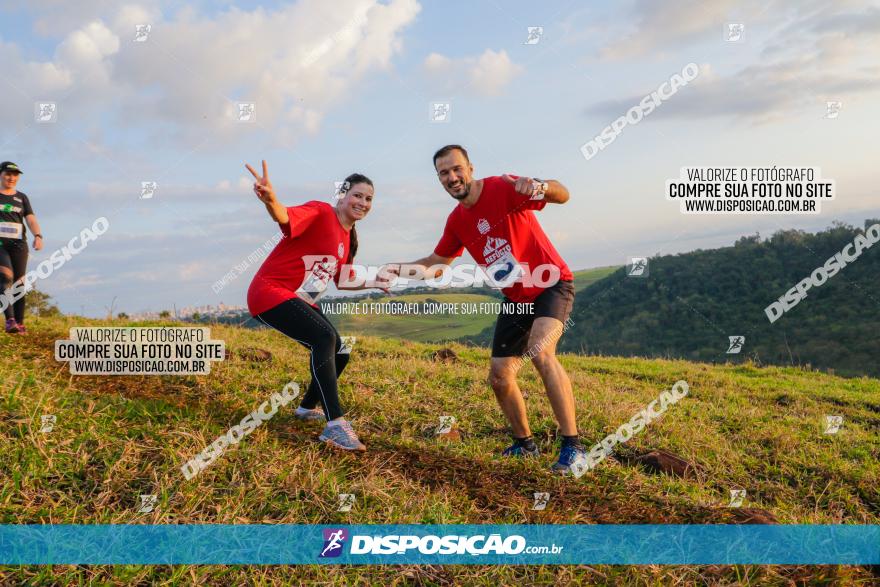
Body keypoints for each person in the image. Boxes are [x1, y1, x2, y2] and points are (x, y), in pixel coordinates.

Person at [388, 145, 584, 474]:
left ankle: (573, 447)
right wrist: (396, 269)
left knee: (540, 352)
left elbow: (563, 195)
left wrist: (539, 185)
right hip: (516, 298)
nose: (452, 177)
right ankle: (525, 444)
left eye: (456, 169)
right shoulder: (457, 220)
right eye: (444, 173)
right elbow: (437, 264)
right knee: (499, 376)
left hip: (551, 283)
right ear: (439, 179)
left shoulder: (503, 187)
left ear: (470, 168)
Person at [245, 160, 387, 452]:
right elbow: (284, 216)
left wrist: (375, 281)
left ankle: (307, 407)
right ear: (342, 196)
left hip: (297, 298)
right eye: (357, 195)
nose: (363, 202)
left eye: (369, 198)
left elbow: (342, 280)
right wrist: (271, 199)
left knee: (341, 352)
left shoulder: (348, 239)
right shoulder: (322, 212)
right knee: (324, 338)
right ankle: (335, 425)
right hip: (269, 292)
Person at [0, 162, 42, 334]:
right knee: (5, 277)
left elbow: (30, 219)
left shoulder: (22, 197)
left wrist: (38, 236)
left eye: (15, 174)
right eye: (8, 174)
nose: (12, 178)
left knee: (19, 283)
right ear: (1, 175)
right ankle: (9, 320)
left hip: (19, 244)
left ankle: (20, 323)